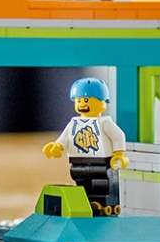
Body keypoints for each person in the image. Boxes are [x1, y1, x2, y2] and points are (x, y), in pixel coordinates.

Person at [42, 76, 127, 216]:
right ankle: (85, 202)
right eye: (79, 100)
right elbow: (65, 138)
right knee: (81, 183)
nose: (82, 104)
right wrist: (57, 147)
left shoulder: (105, 122)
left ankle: (104, 203)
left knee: (101, 182)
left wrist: (119, 154)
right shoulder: (74, 123)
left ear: (102, 101)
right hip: (77, 162)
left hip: (101, 162)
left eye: (86, 100)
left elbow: (118, 136)